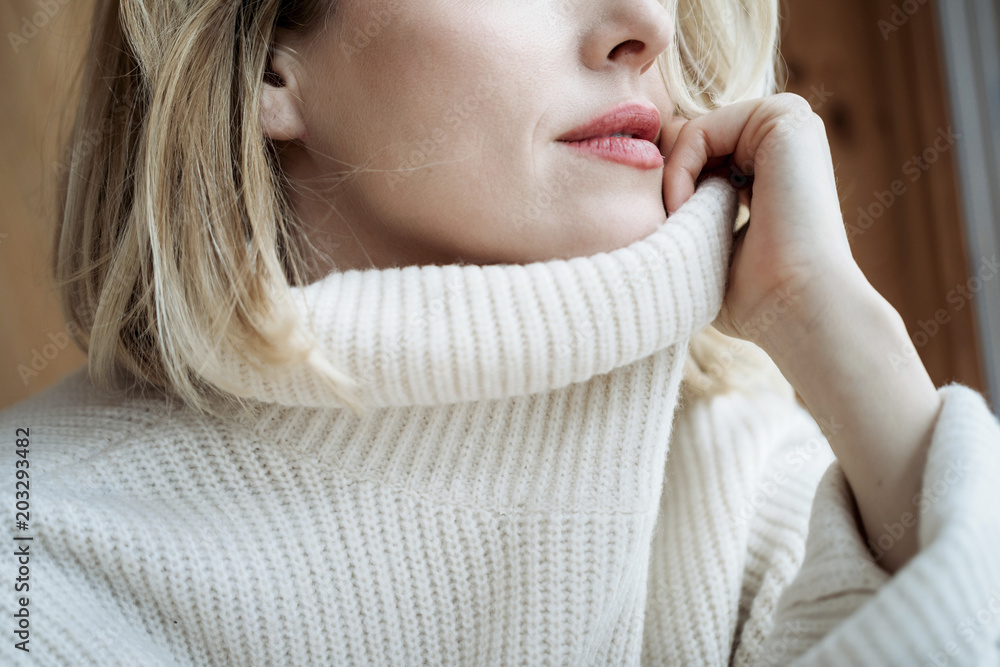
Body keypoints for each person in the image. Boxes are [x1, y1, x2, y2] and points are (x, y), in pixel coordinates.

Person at [2, 0, 999, 664]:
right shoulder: (36, 563)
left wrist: (830, 318)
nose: (645, 24)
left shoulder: (743, 488)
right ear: (266, 58)